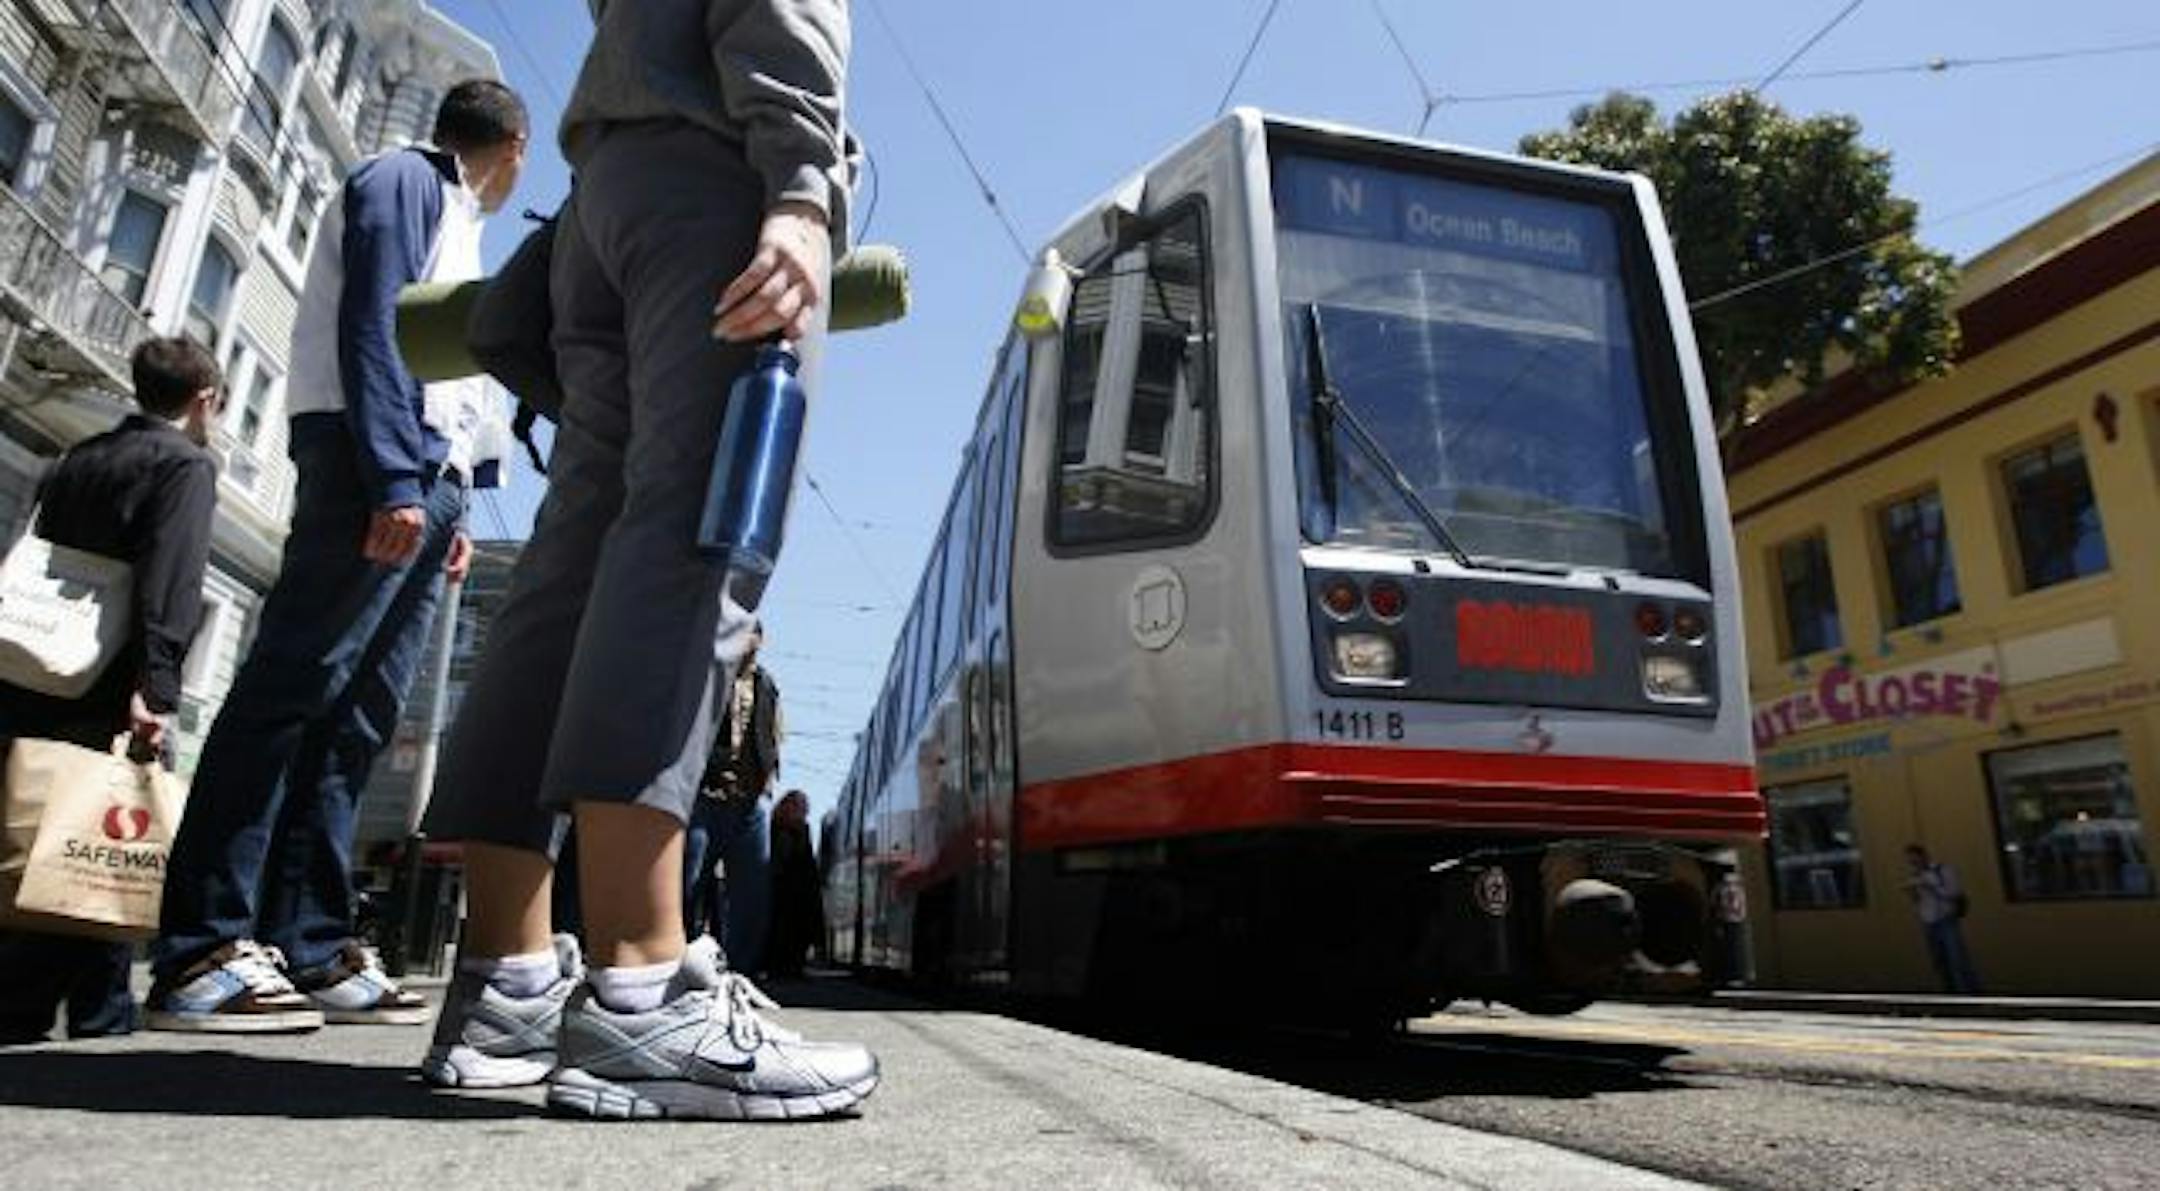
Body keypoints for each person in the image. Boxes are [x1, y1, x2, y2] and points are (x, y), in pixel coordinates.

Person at [417, 0, 876, 1121]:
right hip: (717, 186)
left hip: (600, 211)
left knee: (568, 583)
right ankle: (639, 992)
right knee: (698, 544)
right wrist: (806, 189)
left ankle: (505, 982)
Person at [147, 81, 529, 1033]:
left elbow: (456, 378)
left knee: (359, 713)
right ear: (512, 145)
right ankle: (200, 945)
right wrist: (396, 478)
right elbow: (379, 323)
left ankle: (309, 942)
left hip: (425, 476)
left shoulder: (461, 221)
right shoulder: (405, 180)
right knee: (294, 684)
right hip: (371, 458)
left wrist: (455, 500)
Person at [0, 337, 223, 1043]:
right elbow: (170, 579)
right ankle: (99, 1010)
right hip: (112, 678)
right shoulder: (185, 465)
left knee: (35, 831)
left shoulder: (78, 459)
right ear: (204, 399)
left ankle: (28, 1001)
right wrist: (158, 689)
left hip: (36, 664)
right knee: (104, 839)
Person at [686, 624, 783, 969]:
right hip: (707, 794)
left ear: (760, 639)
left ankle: (741, 968)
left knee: (752, 891)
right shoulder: (711, 673)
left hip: (751, 800)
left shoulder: (766, 683)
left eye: (753, 633)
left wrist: (768, 783)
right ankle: (678, 958)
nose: (747, 640)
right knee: (690, 879)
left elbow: (773, 734)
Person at [1903, 844, 1981, 994]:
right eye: (1911, 862)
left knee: (1957, 960)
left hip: (1946, 919)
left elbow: (1953, 893)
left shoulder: (1943, 871)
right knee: (1940, 962)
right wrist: (1913, 893)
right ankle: (1950, 994)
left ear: (1924, 856)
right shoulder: (1915, 876)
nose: (1914, 864)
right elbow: (1919, 901)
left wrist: (1931, 886)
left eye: (1915, 860)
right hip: (1928, 922)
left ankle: (1969, 994)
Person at [765, 790, 825, 979]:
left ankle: (794, 966)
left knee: (799, 928)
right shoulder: (773, 828)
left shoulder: (803, 830)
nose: (801, 813)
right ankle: (777, 966)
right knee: (780, 927)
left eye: (803, 809)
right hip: (780, 888)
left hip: (800, 889)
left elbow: (807, 861)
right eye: (798, 807)